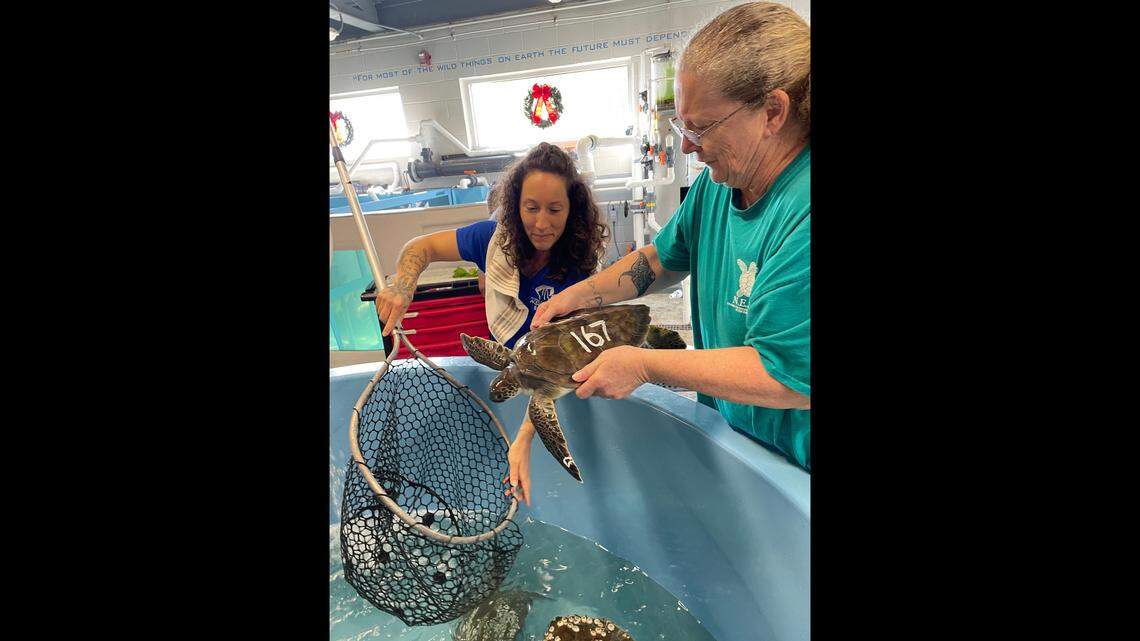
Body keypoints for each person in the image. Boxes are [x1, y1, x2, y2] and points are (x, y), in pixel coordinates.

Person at [531, 2, 812, 472]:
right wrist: (583, 295)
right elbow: (661, 260)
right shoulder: (718, 185)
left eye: (701, 128)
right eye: (685, 125)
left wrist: (642, 364)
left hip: (793, 466)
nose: (686, 145)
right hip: (734, 435)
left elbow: (787, 376)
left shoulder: (801, 211)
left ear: (772, 112)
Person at [375, 141, 608, 503]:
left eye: (555, 209)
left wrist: (526, 437)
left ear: (572, 210)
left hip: (549, 371)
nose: (542, 224)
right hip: (505, 360)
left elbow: (565, 367)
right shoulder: (492, 239)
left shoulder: (576, 267)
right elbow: (421, 247)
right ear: (515, 206)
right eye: (531, 208)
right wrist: (402, 287)